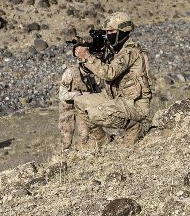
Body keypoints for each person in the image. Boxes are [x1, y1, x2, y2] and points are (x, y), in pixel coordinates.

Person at [72, 12, 154, 146]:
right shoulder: (114, 50)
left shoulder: (130, 52)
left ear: (122, 31)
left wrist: (87, 56)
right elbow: (94, 70)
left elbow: (108, 73)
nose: (107, 35)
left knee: (96, 113)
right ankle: (101, 140)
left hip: (135, 104)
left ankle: (134, 126)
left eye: (111, 31)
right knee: (80, 102)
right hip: (116, 97)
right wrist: (91, 56)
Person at [58, 56, 96, 150]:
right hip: (68, 108)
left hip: (82, 108)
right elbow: (62, 95)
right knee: (66, 137)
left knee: (85, 135)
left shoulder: (93, 75)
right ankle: (63, 158)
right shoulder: (70, 73)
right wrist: (79, 94)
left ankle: (82, 155)